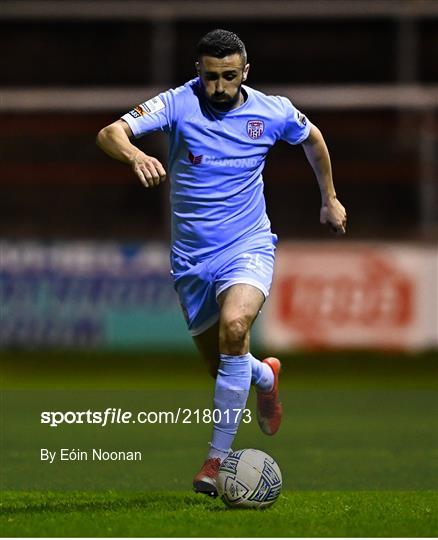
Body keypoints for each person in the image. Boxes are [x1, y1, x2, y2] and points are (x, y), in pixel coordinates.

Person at [96, 29, 347, 497]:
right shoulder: (177, 102)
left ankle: (214, 462)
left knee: (236, 329)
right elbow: (111, 132)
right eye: (211, 77)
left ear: (245, 73)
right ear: (198, 73)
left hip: (247, 246)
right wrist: (134, 155)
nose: (219, 87)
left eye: (229, 76)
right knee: (223, 366)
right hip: (191, 259)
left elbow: (312, 138)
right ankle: (265, 375)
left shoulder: (271, 111)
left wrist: (329, 198)